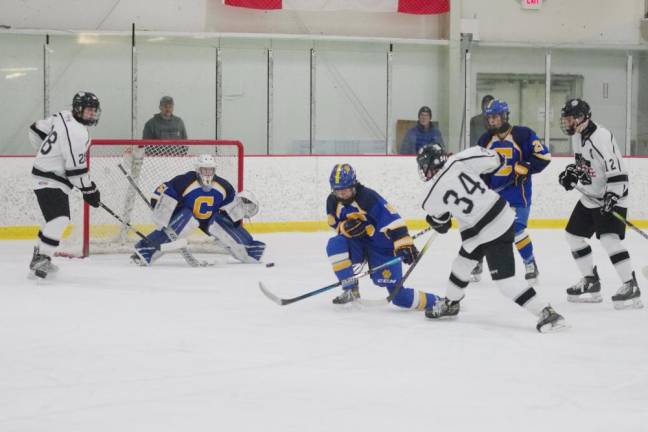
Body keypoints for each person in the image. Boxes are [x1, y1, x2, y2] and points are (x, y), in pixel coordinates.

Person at [418, 144, 566, 333]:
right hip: (493, 221)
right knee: (461, 265)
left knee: (506, 282)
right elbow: (497, 159)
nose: (423, 170)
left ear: (431, 164)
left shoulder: (429, 196)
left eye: (424, 165)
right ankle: (451, 303)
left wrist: (435, 220)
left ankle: (547, 312)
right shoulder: (460, 159)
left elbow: (443, 223)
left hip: (488, 230)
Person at [558, 98, 642, 309]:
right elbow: (584, 164)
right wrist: (571, 174)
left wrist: (612, 197)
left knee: (609, 239)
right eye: (566, 118)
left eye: (569, 118)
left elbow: (618, 172)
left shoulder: (601, 137)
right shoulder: (578, 136)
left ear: (581, 118)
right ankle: (591, 281)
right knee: (573, 236)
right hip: (590, 197)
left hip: (612, 195)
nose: (566, 122)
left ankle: (630, 285)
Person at [326, 163, 439, 310]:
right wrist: (344, 228)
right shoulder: (332, 201)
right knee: (335, 244)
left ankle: (440, 301)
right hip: (359, 245)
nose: (341, 195)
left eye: (345, 191)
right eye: (337, 191)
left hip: (382, 248)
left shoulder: (368, 198)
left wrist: (404, 244)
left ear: (354, 185)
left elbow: (393, 220)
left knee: (399, 298)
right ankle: (350, 289)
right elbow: (335, 224)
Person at [470, 99, 551, 286]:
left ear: (505, 116)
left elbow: (544, 156)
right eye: (489, 118)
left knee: (516, 230)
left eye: (495, 117)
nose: (491, 121)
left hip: (517, 194)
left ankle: (530, 263)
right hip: (493, 196)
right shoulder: (485, 139)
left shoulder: (523, 134)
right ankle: (478, 261)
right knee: (482, 227)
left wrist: (526, 166)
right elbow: (479, 167)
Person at [130, 154, 265, 266]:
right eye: (204, 170)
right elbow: (163, 190)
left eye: (210, 170)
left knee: (219, 225)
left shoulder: (224, 186)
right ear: (197, 169)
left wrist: (235, 216)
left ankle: (249, 249)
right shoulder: (185, 180)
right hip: (185, 215)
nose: (207, 173)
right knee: (188, 220)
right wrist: (159, 207)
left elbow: (230, 208)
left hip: (208, 220)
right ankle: (145, 249)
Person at [29, 91, 102, 279]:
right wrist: (90, 190)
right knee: (60, 219)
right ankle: (42, 258)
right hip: (49, 178)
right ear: (78, 109)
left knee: (52, 220)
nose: (92, 114)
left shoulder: (63, 115)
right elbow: (76, 171)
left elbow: (35, 129)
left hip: (47, 176)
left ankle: (40, 255)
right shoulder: (77, 132)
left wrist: (44, 156)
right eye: (88, 111)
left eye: (94, 111)